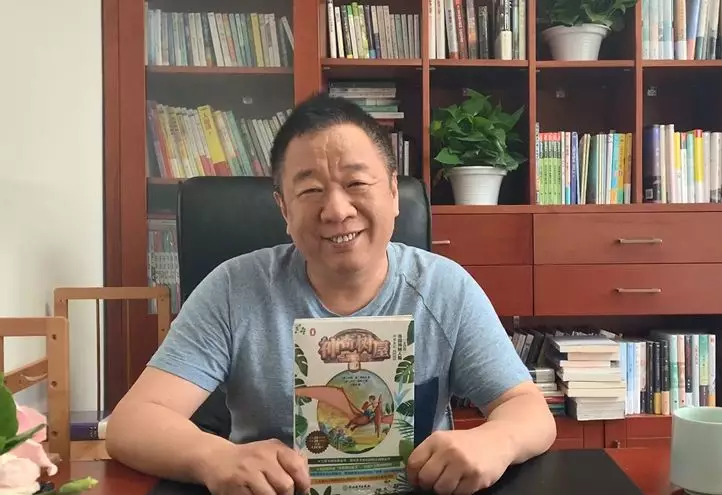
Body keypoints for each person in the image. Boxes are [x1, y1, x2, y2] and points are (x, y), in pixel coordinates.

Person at [105, 92, 556, 495]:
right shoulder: (233, 289)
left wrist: (496, 441)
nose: (337, 210)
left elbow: (528, 409)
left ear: (393, 193)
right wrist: (213, 457)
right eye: (310, 190)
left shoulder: (445, 288)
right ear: (284, 208)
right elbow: (133, 422)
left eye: (356, 184)